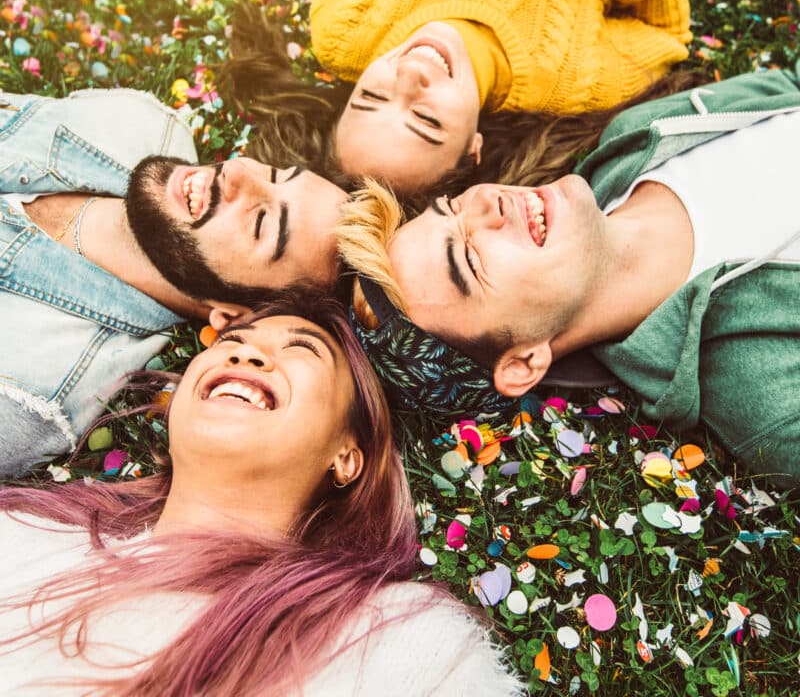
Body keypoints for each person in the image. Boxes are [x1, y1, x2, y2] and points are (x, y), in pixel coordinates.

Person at [0, 299, 524, 696]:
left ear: (347, 456)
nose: (245, 351)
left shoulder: (398, 640)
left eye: (302, 350)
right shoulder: (21, 535)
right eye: (232, 341)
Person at [336, 63, 800, 486]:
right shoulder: (765, 401)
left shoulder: (639, 134)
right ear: (523, 363)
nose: (484, 202)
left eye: (453, 207)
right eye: (470, 261)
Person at [224, 0, 691, 199]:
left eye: (370, 98)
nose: (410, 77)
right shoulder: (570, 84)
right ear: (473, 147)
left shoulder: (348, 31)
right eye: (427, 120)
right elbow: (665, 34)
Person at [0, 89, 347, 477]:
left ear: (233, 316)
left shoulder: (37, 387)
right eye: (275, 174)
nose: (237, 172)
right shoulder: (146, 124)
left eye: (261, 222)